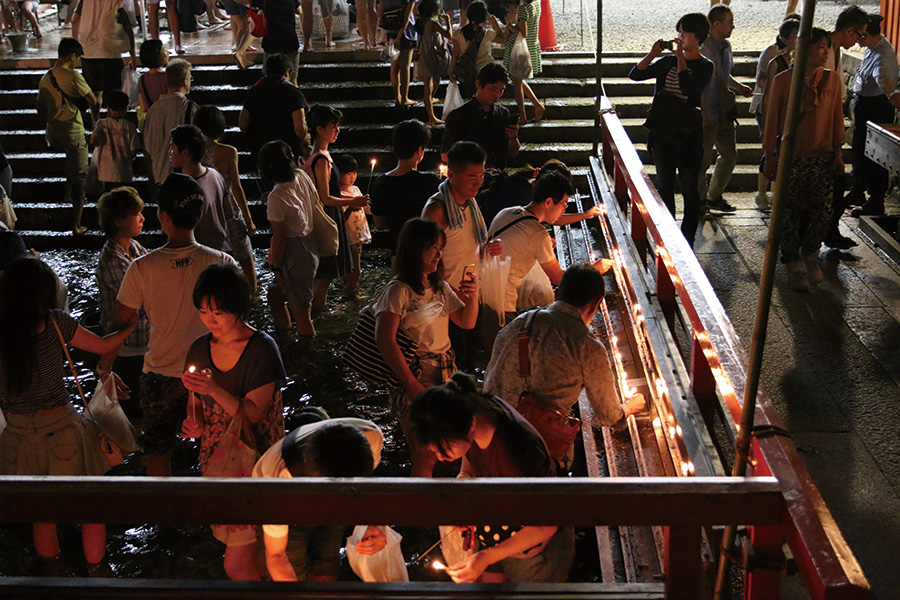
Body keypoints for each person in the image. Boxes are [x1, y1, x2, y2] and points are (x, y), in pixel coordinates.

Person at [0, 257, 136, 574]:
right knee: (89, 507)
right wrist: (128, 327)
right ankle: (96, 572)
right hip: (61, 429)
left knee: (42, 514)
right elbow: (102, 346)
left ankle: (53, 572)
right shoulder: (55, 322)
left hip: (17, 437)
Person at [98, 173, 238, 476]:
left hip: (160, 376)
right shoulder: (223, 263)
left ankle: (162, 514)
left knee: (158, 454)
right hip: (212, 378)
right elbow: (239, 326)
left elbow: (120, 325)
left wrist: (103, 370)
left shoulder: (142, 268)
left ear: (162, 216)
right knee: (218, 452)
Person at [408, 372, 574, 583]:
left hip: (532, 551)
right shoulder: (474, 409)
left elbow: (546, 524)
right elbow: (471, 465)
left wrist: (486, 556)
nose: (441, 458)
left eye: (445, 449)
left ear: (470, 426)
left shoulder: (515, 454)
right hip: (497, 533)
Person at [180, 263, 286, 581]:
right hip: (218, 461)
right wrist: (193, 423)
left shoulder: (262, 350)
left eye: (218, 313)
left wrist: (213, 388)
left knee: (236, 563)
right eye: (202, 312)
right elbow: (194, 405)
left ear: (237, 307)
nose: (210, 320)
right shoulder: (200, 348)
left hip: (258, 464)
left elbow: (252, 415)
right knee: (255, 556)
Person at [483, 263, 645, 469]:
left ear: (557, 293)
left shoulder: (517, 324)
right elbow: (608, 415)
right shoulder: (587, 346)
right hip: (539, 453)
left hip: (493, 438)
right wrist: (630, 407)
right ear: (597, 304)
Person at [372, 217, 478, 477]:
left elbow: (466, 321)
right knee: (425, 452)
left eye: (441, 248)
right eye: (433, 248)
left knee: (453, 440)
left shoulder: (439, 287)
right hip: (417, 374)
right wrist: (410, 384)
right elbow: (384, 338)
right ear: (415, 249)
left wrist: (473, 294)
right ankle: (420, 509)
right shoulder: (398, 291)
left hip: (446, 372)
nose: (439, 255)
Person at [251, 417, 385, 581]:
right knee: (293, 570)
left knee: (326, 567)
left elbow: (366, 487)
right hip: (290, 508)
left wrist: (372, 524)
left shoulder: (371, 438)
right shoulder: (279, 483)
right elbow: (276, 555)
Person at [763, 28, 844, 292]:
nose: (823, 52)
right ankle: (792, 259)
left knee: (824, 211)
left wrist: (838, 152)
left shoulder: (832, 80)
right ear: (803, 49)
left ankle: (810, 252)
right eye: (818, 46)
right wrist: (771, 157)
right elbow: (772, 119)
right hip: (791, 158)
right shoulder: (785, 80)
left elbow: (836, 117)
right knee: (789, 213)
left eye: (826, 47)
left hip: (821, 156)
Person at [628, 13, 713, 247]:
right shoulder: (667, 63)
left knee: (689, 186)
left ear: (698, 38)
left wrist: (680, 60)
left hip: (688, 136)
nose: (680, 37)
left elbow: (688, 87)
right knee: (664, 185)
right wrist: (653, 54)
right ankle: (668, 236)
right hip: (663, 132)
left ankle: (687, 237)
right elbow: (636, 75)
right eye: (679, 32)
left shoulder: (706, 66)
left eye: (684, 33)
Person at [422, 141, 501, 372]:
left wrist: (487, 249)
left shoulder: (470, 203)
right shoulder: (438, 210)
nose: (478, 182)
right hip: (447, 301)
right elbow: (423, 260)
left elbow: (467, 245)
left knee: (468, 358)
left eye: (481, 175)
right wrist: (446, 290)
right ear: (452, 174)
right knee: (449, 363)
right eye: (472, 177)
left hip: (470, 295)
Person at [486, 172, 607, 322]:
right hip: (500, 304)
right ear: (548, 202)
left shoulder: (508, 212)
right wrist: (595, 269)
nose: (564, 209)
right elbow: (559, 278)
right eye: (563, 204)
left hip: (483, 289)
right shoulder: (539, 234)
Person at [169, 124, 256, 293]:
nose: (170, 154)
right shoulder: (216, 175)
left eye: (172, 149)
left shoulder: (181, 187)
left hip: (198, 256)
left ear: (185, 153)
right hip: (222, 250)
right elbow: (229, 212)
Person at [304, 105, 369, 313]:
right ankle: (318, 308)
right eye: (333, 126)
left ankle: (317, 306)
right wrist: (352, 202)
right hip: (328, 215)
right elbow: (325, 197)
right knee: (325, 270)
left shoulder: (319, 155)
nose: (337, 131)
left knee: (325, 271)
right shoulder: (321, 159)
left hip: (329, 214)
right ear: (319, 129)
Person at [36, 37, 101, 235]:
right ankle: (77, 224)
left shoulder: (45, 77)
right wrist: (95, 119)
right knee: (80, 175)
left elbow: (40, 109)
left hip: (53, 132)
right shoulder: (73, 76)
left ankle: (66, 195)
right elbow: (93, 101)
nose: (77, 62)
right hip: (73, 131)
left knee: (70, 164)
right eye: (77, 58)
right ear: (72, 56)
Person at [95, 186, 150, 410]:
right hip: (126, 348)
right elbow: (141, 300)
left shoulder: (134, 248)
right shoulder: (112, 260)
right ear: (118, 221)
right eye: (136, 214)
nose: (142, 218)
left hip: (144, 343)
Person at [697, 4, 753, 218]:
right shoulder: (704, 47)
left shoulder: (726, 46)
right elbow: (713, 79)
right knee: (703, 160)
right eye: (729, 21)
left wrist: (738, 87)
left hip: (725, 109)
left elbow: (725, 75)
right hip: (708, 109)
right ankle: (700, 202)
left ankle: (714, 196)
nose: (733, 26)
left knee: (729, 155)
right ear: (717, 24)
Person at [261, 141, 320, 341]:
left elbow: (280, 238)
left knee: (301, 313)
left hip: (296, 253)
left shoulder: (277, 197)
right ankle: (283, 335)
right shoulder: (302, 176)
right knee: (275, 295)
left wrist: (276, 269)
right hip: (309, 245)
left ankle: (306, 357)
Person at [822, 5, 869, 250]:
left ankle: (830, 231)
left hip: (831, 124)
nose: (860, 41)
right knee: (832, 185)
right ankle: (823, 233)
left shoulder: (835, 50)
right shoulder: (823, 50)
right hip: (820, 126)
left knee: (836, 186)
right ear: (849, 30)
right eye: (859, 35)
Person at [848, 15, 898, 218]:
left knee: (875, 155)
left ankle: (875, 200)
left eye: (862, 36)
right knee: (860, 150)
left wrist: (892, 95)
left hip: (876, 106)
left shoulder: (884, 54)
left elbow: (885, 82)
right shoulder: (872, 48)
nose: (858, 40)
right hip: (865, 104)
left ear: (872, 34)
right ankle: (857, 190)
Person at [370, 119, 441, 255]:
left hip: (398, 250)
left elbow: (379, 224)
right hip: (426, 251)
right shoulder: (430, 182)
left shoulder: (381, 182)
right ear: (420, 149)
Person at [750, 17, 799, 212]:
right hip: (774, 114)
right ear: (785, 39)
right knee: (771, 153)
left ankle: (778, 195)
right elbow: (767, 91)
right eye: (796, 35)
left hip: (792, 115)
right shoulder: (775, 60)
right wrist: (771, 122)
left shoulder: (804, 62)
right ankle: (762, 193)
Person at [441, 62, 520, 170]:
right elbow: (445, 154)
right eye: (493, 89)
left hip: (497, 174)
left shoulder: (503, 113)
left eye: (501, 90)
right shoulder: (459, 116)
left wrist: (513, 136)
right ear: (478, 84)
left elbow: (512, 153)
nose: (497, 94)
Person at [194, 104, 257, 239]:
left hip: (205, 210)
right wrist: (248, 219)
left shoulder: (194, 153)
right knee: (242, 254)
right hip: (228, 208)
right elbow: (236, 186)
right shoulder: (229, 152)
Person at [239, 53, 309, 162]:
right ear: (287, 71)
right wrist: (304, 138)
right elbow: (299, 126)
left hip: (261, 150)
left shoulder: (255, 91)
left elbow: (243, 124)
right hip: (287, 150)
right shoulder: (293, 92)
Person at [142, 58, 197, 186]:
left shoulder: (154, 109)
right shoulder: (188, 107)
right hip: (184, 175)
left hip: (159, 175)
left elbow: (148, 145)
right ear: (185, 81)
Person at [76, 0, 136, 106]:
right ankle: (111, 120)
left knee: (93, 94)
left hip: (88, 52)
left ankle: (95, 119)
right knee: (112, 95)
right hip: (111, 53)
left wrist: (79, 44)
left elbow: (75, 21)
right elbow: (128, 26)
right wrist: (133, 55)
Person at [334, 153, 372, 300]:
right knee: (354, 268)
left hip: (358, 235)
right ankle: (351, 292)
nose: (352, 177)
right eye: (348, 174)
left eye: (354, 173)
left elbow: (366, 208)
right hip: (348, 237)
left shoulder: (355, 189)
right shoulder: (338, 195)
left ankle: (351, 288)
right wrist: (350, 207)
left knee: (355, 265)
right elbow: (340, 220)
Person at [450, 1, 505, 99]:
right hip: (487, 70)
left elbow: (455, 55)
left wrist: (451, 72)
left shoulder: (458, 33)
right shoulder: (487, 34)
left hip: (468, 72)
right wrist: (494, 22)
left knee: (472, 99)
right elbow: (503, 39)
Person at [501, 0, 543, 124]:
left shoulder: (523, 9)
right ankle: (537, 106)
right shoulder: (535, 4)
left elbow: (523, 32)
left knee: (517, 82)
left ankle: (523, 116)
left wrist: (509, 27)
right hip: (531, 45)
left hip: (520, 49)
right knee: (516, 79)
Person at [90, 89, 141, 189]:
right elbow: (133, 150)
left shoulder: (101, 124)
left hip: (104, 171)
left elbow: (93, 141)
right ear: (126, 108)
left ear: (108, 107)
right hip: (123, 170)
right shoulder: (129, 126)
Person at [415, 0, 452, 125]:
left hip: (423, 55)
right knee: (429, 86)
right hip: (433, 56)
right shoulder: (433, 24)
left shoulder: (419, 22)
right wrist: (448, 22)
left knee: (431, 83)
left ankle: (429, 100)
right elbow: (449, 35)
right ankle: (431, 117)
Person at [378, 0, 418, 107]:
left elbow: (380, 12)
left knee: (394, 65)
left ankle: (397, 97)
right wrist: (400, 35)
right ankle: (405, 97)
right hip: (407, 32)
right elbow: (407, 17)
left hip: (391, 29)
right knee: (405, 66)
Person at [137, 39, 169, 116]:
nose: (168, 53)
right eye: (165, 50)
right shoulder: (168, 77)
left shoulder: (141, 80)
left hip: (153, 120)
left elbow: (143, 108)